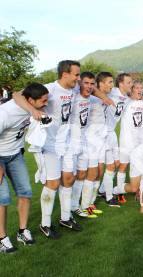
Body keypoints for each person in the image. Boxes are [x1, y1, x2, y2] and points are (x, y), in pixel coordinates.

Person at [14, 60, 82, 238]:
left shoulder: (74, 88)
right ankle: (45, 224)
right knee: (52, 183)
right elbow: (16, 95)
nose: (79, 78)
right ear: (64, 74)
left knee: (69, 179)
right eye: (76, 74)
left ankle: (65, 218)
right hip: (49, 143)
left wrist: (104, 97)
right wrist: (33, 111)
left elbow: (90, 86)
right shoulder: (49, 88)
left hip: (66, 141)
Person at [0, 83, 48, 253]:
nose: (46, 104)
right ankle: (2, 238)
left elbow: (17, 93)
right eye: (42, 101)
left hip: (15, 154)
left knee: (26, 192)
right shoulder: (5, 113)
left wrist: (35, 111)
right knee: (3, 198)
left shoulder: (27, 103)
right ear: (30, 100)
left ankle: (22, 231)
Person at [82, 72, 115, 218]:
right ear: (99, 84)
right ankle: (84, 206)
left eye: (112, 82)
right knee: (91, 174)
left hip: (101, 138)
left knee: (99, 172)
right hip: (90, 140)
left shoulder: (106, 97)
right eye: (109, 82)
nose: (111, 85)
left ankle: (91, 203)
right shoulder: (91, 97)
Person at [100, 73, 132, 206]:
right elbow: (98, 90)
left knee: (116, 164)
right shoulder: (112, 91)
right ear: (121, 84)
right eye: (129, 82)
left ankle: (102, 190)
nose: (131, 85)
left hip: (112, 132)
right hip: (102, 132)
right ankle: (108, 197)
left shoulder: (127, 98)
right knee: (111, 166)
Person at [67, 72, 94, 218]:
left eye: (91, 84)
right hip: (70, 142)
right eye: (86, 83)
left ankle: (74, 206)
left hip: (84, 141)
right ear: (79, 83)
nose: (89, 87)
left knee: (82, 174)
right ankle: (66, 211)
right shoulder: (73, 96)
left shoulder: (92, 99)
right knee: (69, 177)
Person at [117, 80, 143, 203]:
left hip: (139, 141)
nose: (140, 90)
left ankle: (138, 190)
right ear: (132, 89)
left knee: (140, 165)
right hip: (126, 140)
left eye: (142, 88)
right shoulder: (126, 101)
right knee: (123, 165)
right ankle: (119, 191)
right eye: (137, 88)